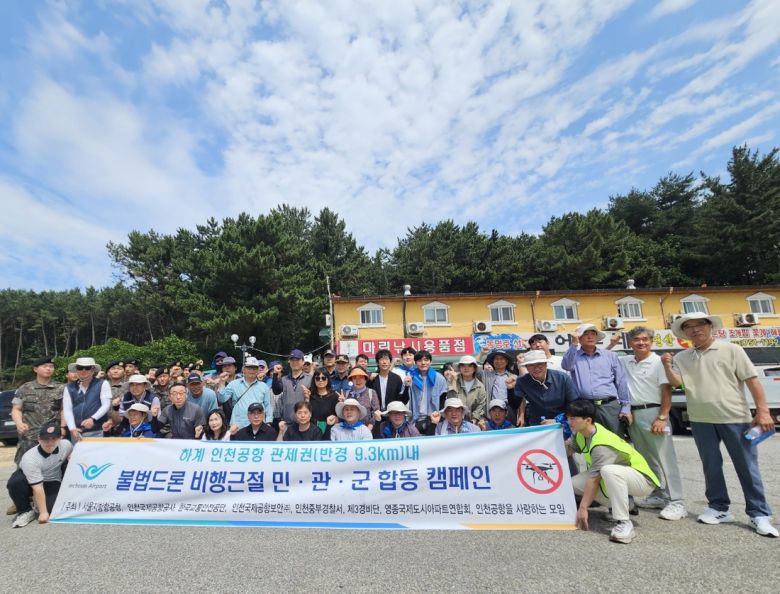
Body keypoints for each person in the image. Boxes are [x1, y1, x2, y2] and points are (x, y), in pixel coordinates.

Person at [661, 312, 778, 537]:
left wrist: (763, 411)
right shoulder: (682, 357)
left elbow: (752, 381)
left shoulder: (732, 350)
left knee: (747, 467)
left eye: (700, 325)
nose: (695, 330)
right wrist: (668, 366)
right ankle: (718, 507)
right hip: (700, 419)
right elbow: (679, 384)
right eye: (689, 327)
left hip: (735, 417)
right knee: (710, 466)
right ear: (684, 332)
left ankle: (759, 513)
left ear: (710, 326)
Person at [566, 399, 660, 544]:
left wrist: (583, 508)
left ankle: (624, 522)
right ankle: (622, 505)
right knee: (573, 484)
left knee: (608, 471)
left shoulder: (601, 444)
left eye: (573, 418)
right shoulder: (581, 433)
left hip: (643, 480)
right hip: (622, 477)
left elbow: (594, 480)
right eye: (568, 418)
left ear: (588, 420)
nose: (569, 422)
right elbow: (568, 449)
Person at [620, 326, 687, 521]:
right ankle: (658, 494)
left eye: (645, 339)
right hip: (633, 414)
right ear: (630, 343)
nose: (641, 343)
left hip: (655, 412)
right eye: (637, 340)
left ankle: (677, 502)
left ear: (651, 341)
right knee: (647, 458)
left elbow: (666, 390)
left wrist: (662, 417)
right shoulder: (626, 361)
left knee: (666, 458)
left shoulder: (659, 362)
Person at [562, 324, 630, 434]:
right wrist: (574, 344)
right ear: (579, 338)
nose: (590, 337)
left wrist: (625, 407)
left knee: (615, 439)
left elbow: (621, 381)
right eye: (586, 334)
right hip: (585, 406)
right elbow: (566, 366)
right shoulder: (574, 356)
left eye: (593, 334)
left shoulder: (610, 355)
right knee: (589, 439)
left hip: (609, 406)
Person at [7, 423, 72, 528]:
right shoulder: (30, 458)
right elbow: (37, 487)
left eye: (54, 439)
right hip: (30, 482)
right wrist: (43, 513)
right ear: (39, 439)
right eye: (45, 439)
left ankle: (36, 501)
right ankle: (25, 510)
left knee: (54, 509)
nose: (50, 443)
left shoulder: (66, 445)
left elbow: (72, 454)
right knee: (15, 482)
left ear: (60, 438)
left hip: (52, 480)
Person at [11, 357, 64, 467]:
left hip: (51, 437)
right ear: (35, 369)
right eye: (45, 366)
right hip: (29, 437)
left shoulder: (61, 388)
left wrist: (63, 427)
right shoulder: (25, 388)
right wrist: (19, 423)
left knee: (52, 469)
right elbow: (16, 409)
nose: (49, 369)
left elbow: (64, 409)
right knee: (25, 469)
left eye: (51, 366)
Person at [514, 350, 579, 427]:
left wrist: (558, 420)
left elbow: (574, 404)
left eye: (540, 364)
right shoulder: (522, 381)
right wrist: (510, 389)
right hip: (537, 424)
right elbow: (515, 404)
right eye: (531, 365)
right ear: (527, 367)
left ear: (546, 364)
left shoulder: (562, 378)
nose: (536, 368)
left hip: (563, 423)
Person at [63, 357, 112, 441]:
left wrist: (93, 419)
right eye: (80, 368)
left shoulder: (103, 383)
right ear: (76, 370)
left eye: (87, 368)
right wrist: (72, 428)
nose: (83, 370)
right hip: (77, 432)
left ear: (93, 370)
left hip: (98, 431)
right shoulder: (69, 387)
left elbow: (106, 405)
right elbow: (67, 409)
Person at [218, 357, 273, 429]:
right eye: (249, 368)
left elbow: (268, 406)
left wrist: (268, 422)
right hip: (238, 425)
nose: (252, 371)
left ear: (257, 370)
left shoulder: (264, 386)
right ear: (243, 369)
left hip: (259, 426)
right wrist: (222, 383)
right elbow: (222, 399)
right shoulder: (233, 384)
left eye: (254, 368)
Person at [404, 350, 448, 434]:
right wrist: (406, 386)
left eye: (426, 360)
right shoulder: (411, 377)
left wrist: (439, 417)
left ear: (430, 362)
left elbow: (443, 399)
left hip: (433, 418)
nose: (423, 363)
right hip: (415, 419)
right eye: (420, 360)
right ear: (415, 362)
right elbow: (405, 399)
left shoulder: (439, 378)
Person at [273, 349, 313, 425]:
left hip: (304, 422)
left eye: (297, 360)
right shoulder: (284, 379)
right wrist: (275, 375)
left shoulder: (310, 379)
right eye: (292, 360)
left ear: (303, 362)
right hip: (287, 422)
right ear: (289, 362)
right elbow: (276, 391)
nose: (295, 362)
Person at [444, 355, 487, 423]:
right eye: (463, 366)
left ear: (475, 368)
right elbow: (451, 400)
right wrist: (454, 382)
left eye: (470, 366)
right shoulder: (452, 380)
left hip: (472, 422)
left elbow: (480, 406)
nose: (466, 368)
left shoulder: (480, 386)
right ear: (459, 368)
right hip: (453, 420)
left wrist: (474, 420)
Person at [476, 348, 518, 415]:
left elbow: (520, 398)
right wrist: (481, 354)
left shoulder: (514, 377)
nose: (499, 361)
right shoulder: (486, 375)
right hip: (491, 409)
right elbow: (475, 369)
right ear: (493, 361)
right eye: (496, 359)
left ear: (506, 362)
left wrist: (521, 415)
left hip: (509, 410)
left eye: (501, 359)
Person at [369, 349, 409, 413]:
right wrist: (369, 381)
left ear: (390, 362)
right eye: (382, 359)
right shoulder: (373, 379)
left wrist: (407, 386)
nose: (384, 362)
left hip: (392, 414)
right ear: (377, 362)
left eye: (387, 359)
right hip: (376, 414)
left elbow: (403, 401)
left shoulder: (396, 378)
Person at [345, 367, 381, 431]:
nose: (358, 380)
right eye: (354, 378)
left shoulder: (371, 392)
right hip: (350, 429)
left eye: (361, 377)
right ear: (351, 380)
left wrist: (369, 427)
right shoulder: (347, 393)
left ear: (365, 379)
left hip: (368, 429)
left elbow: (376, 411)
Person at [307, 370, 340, 435]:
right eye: (317, 378)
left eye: (324, 378)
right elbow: (307, 413)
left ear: (328, 379)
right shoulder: (309, 395)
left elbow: (338, 416)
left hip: (330, 430)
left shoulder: (335, 396)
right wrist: (306, 399)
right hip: (312, 431)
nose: (320, 380)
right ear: (314, 380)